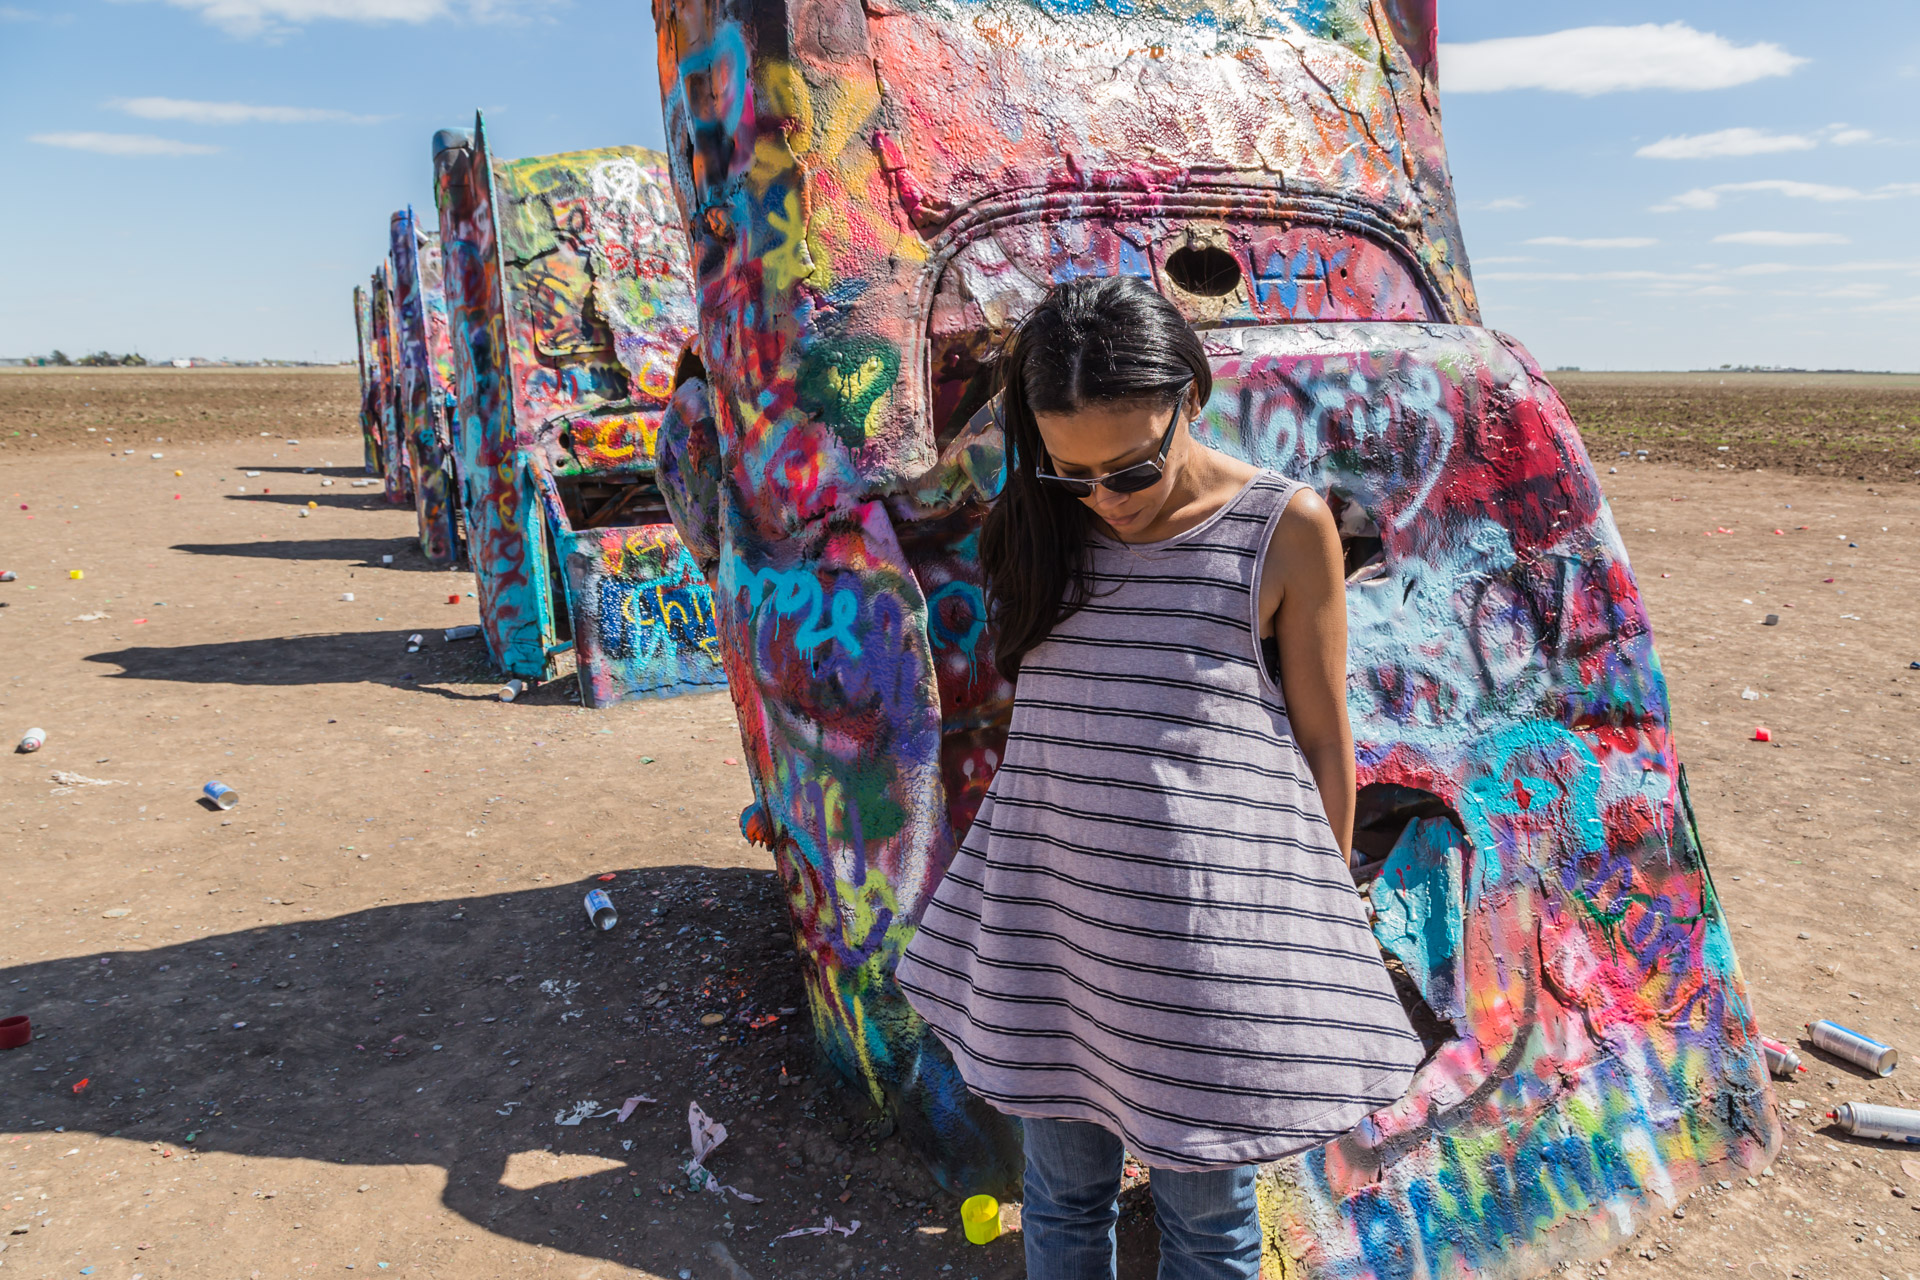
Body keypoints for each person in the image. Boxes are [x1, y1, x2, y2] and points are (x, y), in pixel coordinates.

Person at [895, 274, 1421, 1280]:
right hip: (1058, 930)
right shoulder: (1041, 524)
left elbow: (1323, 736)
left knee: (1207, 1220)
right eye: (1072, 473)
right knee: (1060, 1196)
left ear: (1192, 394)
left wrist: (1324, 915)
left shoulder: (1284, 528)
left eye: (1132, 468)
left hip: (1202, 958)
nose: (1105, 499)